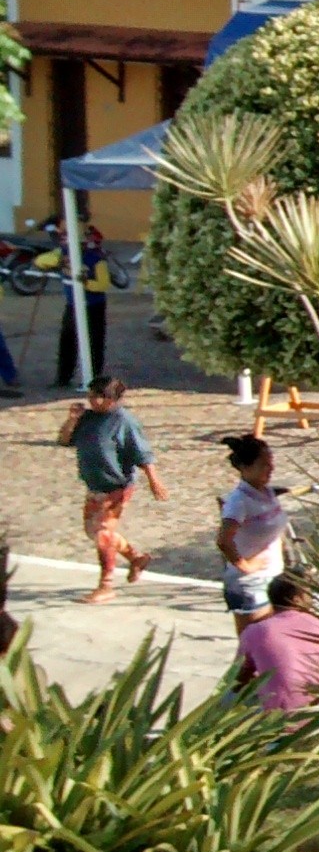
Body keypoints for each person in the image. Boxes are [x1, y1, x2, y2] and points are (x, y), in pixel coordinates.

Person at [57, 376, 165, 603]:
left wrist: (154, 480)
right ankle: (135, 558)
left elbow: (142, 453)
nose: (95, 401)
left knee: (103, 534)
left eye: (100, 397)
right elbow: (64, 440)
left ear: (114, 399)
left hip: (116, 485)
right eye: (92, 396)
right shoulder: (87, 418)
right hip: (94, 484)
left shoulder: (124, 421)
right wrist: (71, 420)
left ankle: (106, 585)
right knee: (92, 531)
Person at [233, 576, 319, 711]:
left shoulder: (254, 631)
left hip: (279, 717)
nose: (311, 599)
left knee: (228, 697)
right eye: (308, 594)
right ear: (296, 600)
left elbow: (238, 677)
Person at [217, 434, 287, 633]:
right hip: (250, 585)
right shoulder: (239, 501)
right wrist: (245, 566)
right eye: (264, 464)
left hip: (273, 578)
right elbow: (224, 540)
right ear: (246, 468)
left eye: (271, 463)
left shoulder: (268, 493)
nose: (271, 468)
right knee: (253, 650)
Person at [38, 222, 109, 387]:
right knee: (67, 341)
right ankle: (63, 378)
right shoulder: (62, 254)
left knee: (94, 343)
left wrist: (86, 283)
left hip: (93, 306)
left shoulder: (96, 258)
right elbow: (40, 261)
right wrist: (58, 262)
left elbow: (103, 285)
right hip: (73, 305)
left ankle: (94, 379)